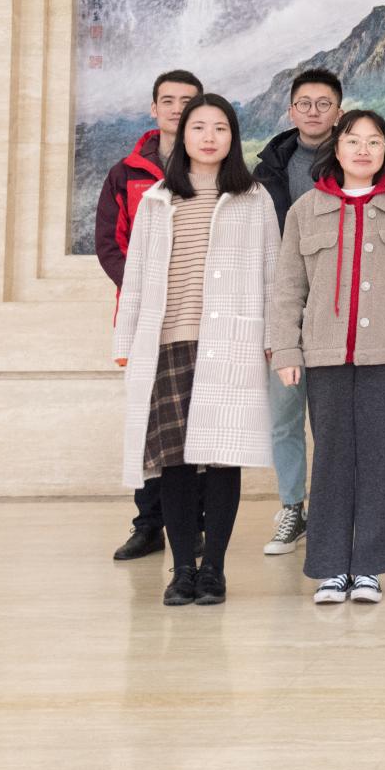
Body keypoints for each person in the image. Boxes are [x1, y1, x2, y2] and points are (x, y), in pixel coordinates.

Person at [112, 94, 278, 606]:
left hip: (230, 342)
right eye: (199, 127)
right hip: (168, 342)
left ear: (233, 138)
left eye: (220, 128)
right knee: (175, 461)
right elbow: (136, 278)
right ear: (182, 135)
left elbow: (273, 274)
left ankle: (214, 571)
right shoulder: (158, 199)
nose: (209, 137)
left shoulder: (254, 198)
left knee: (224, 458)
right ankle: (183, 570)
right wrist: (125, 342)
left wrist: (274, 340)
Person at [267, 110, 385, 604]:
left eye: (374, 141)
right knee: (332, 460)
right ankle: (329, 567)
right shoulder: (305, 210)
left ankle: (369, 568)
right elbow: (288, 289)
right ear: (336, 149)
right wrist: (287, 349)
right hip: (324, 355)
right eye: (353, 141)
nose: (363, 150)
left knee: (381, 460)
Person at [95, 68, 201, 561]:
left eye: (187, 100)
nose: (177, 108)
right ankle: (149, 524)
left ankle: (193, 524)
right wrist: (145, 290)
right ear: (154, 108)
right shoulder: (126, 173)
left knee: (195, 418)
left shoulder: (212, 168)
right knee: (149, 417)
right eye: (169, 100)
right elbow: (109, 244)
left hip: (197, 313)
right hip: (144, 318)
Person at [251, 67, 343, 557]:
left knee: (330, 421)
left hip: (337, 305)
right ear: (291, 111)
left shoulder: (354, 160)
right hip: (283, 303)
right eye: (304, 103)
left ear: (338, 112)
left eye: (323, 103)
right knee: (285, 416)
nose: (313, 111)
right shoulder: (268, 169)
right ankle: (293, 507)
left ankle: (329, 510)